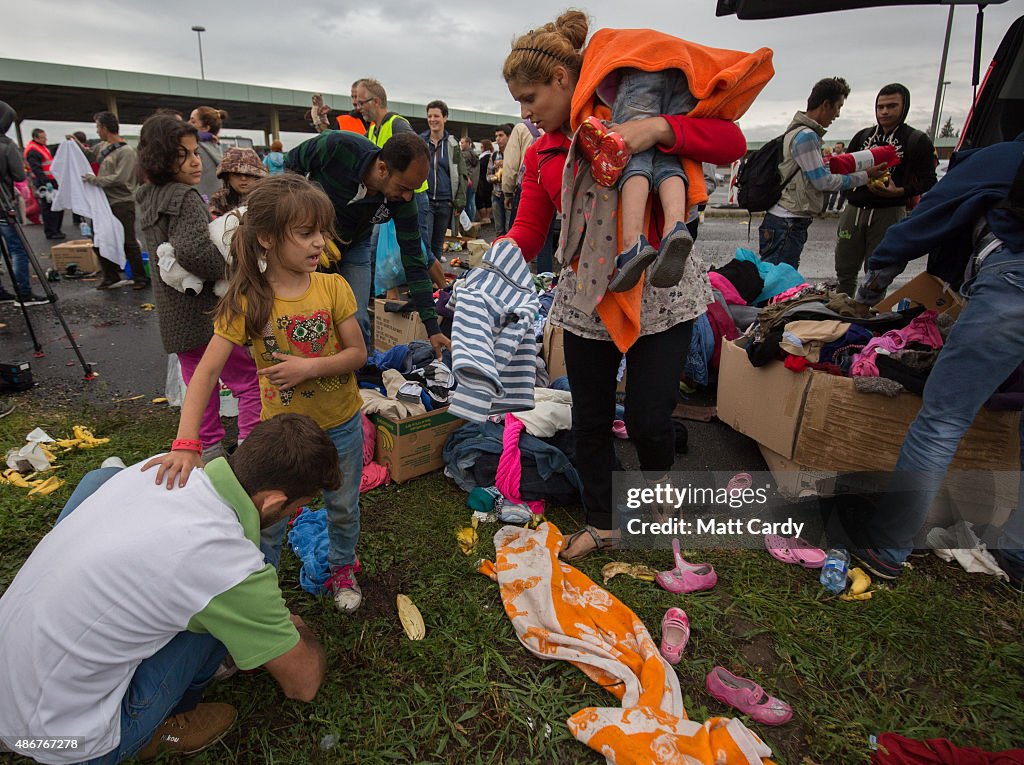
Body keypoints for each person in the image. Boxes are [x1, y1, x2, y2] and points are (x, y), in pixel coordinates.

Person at [499, 10, 751, 559]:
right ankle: (604, 521)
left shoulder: (633, 113)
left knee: (648, 417)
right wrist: (496, 259)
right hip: (589, 293)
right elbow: (529, 228)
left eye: (531, 99)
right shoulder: (545, 152)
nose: (526, 114)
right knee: (590, 417)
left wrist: (659, 130)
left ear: (563, 82)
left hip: (661, 286)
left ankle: (661, 502)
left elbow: (733, 142)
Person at [0, 414, 339, 763]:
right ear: (271, 501)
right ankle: (163, 726)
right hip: (67, 743)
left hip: (7, 696)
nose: (291, 516)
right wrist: (298, 631)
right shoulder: (227, 565)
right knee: (221, 617)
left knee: (102, 479)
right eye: (295, 508)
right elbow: (304, 683)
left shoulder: (158, 470)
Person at [144, 174, 370, 613]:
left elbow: (358, 354)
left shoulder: (333, 287)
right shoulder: (248, 300)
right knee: (266, 519)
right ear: (266, 238)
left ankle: (342, 565)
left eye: (322, 232)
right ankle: (260, 582)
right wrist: (187, 442)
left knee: (343, 506)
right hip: (279, 437)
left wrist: (310, 367)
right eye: (305, 233)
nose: (319, 243)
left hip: (341, 425)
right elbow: (206, 372)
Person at [846, 132, 1024, 586]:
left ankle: (887, 546)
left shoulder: (998, 158)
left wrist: (867, 297)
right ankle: (1018, 555)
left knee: (943, 419)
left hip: (1014, 282)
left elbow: (916, 227)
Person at [135, 114, 261, 462]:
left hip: (176, 316)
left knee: (199, 387)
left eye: (194, 152)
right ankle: (252, 451)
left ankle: (209, 453)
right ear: (161, 157)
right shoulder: (185, 197)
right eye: (184, 154)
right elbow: (193, 250)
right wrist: (234, 270)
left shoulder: (148, 195)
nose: (194, 161)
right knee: (249, 381)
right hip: (206, 314)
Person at [285, 130, 451, 356]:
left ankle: (361, 381)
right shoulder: (338, 146)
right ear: (382, 169)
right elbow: (290, 166)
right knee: (309, 314)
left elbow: (414, 260)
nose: (407, 198)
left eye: (413, 190)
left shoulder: (402, 201)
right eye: (403, 188)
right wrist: (302, 223)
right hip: (312, 243)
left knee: (356, 318)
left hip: (356, 246)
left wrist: (432, 328)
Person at [758, 77, 885, 271]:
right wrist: (864, 176)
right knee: (779, 282)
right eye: (838, 107)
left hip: (783, 219)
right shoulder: (806, 136)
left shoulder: (796, 131)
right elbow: (822, 181)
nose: (838, 114)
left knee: (774, 277)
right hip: (788, 221)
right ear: (826, 104)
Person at [834, 84, 937, 296]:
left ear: (904, 107)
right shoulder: (863, 137)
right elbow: (844, 170)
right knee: (844, 269)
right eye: (880, 107)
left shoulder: (917, 140)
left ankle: (869, 319)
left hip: (889, 212)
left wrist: (899, 191)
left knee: (877, 273)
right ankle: (839, 314)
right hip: (854, 210)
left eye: (891, 106)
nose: (885, 112)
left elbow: (929, 181)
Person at [67, 111, 150, 290]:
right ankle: (110, 275)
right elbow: (88, 155)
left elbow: (119, 178)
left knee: (128, 241)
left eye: (98, 127)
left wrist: (93, 180)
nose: (97, 131)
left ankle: (140, 277)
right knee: (99, 239)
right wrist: (74, 144)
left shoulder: (126, 151)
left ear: (104, 128)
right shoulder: (102, 147)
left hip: (121, 202)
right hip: (103, 203)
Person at [0, 101, 47, 306]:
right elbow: (19, 174)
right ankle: (24, 293)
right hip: (3, 204)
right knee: (18, 249)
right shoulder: (6, 144)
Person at [419, 100, 468, 262]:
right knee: (425, 241)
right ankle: (426, 278)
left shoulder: (453, 144)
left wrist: (459, 201)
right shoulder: (421, 142)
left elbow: (461, 173)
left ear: (445, 118)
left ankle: (435, 282)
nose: (433, 119)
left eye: (436, 116)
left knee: (438, 243)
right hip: (425, 199)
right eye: (429, 116)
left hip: (445, 201)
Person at [24, 128, 66, 241]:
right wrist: (47, 183)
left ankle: (55, 229)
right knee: (49, 207)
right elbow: (37, 169)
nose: (45, 139)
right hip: (45, 183)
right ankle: (52, 231)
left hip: (50, 180)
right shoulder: (33, 151)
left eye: (45, 137)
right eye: (42, 138)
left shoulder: (41, 148)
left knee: (54, 206)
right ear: (35, 138)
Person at [209, 147, 268, 217]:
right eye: (237, 174)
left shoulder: (265, 197)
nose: (243, 178)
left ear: (257, 176)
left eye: (249, 174)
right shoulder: (219, 199)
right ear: (227, 177)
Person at [188, 106, 229, 202]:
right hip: (216, 203)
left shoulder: (194, 148)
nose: (187, 123)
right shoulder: (220, 148)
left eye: (193, 121)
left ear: (206, 128)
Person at [488, 124, 512, 235]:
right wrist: (494, 178)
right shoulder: (493, 156)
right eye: (496, 136)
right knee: (499, 230)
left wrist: (506, 164)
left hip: (511, 196)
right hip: (497, 195)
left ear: (509, 136)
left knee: (510, 229)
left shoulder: (514, 154)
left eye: (501, 135)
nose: (498, 139)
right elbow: (488, 176)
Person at [460, 135, 479, 223]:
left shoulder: (464, 154)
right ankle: (472, 221)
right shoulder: (474, 154)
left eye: (462, 143)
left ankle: (469, 222)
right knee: (472, 202)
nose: (461, 144)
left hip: (467, 181)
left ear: (468, 143)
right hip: (474, 182)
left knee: (467, 204)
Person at [475, 139, 495, 223]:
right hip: (487, 180)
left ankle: (485, 217)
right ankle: (487, 217)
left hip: (483, 179)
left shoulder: (485, 157)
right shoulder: (489, 156)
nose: (481, 147)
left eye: (482, 145)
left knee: (482, 198)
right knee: (487, 199)